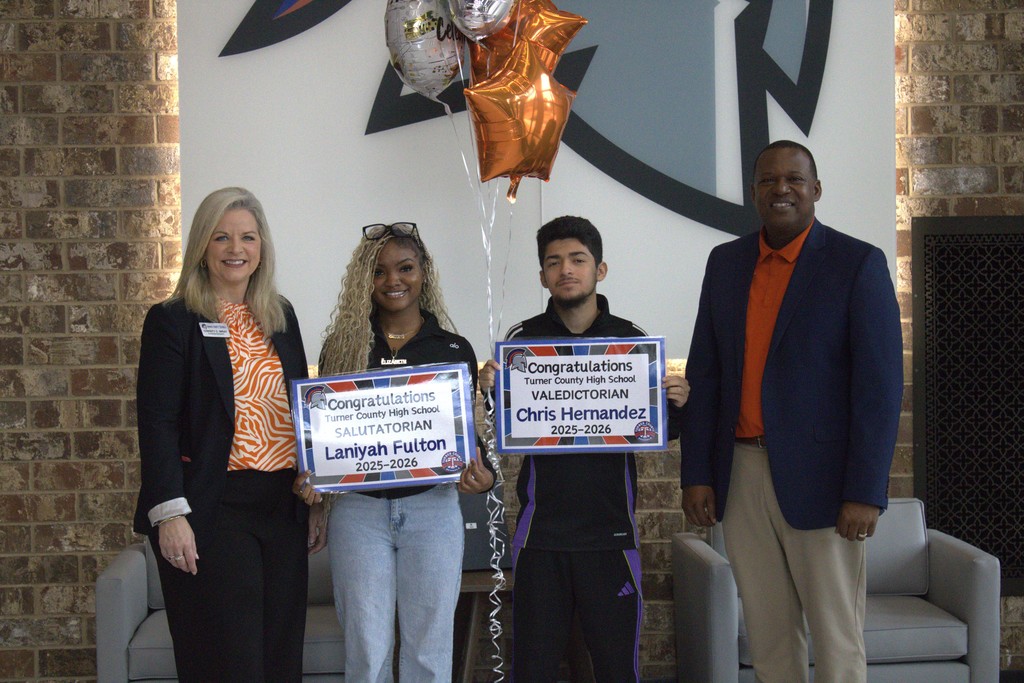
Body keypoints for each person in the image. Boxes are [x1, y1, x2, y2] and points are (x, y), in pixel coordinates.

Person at [679, 140, 903, 682]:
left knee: (837, 638)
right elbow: (705, 375)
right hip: (741, 472)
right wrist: (697, 474)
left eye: (795, 179)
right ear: (754, 192)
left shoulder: (857, 263)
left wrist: (865, 490)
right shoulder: (726, 263)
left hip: (826, 485)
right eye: (769, 180)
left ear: (816, 190)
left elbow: (879, 387)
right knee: (768, 637)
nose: (781, 189)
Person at [479, 215, 690, 682]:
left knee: (617, 669)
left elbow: (662, 431)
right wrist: (490, 388)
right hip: (540, 536)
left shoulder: (631, 341)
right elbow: (503, 424)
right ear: (542, 277)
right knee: (532, 670)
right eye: (554, 263)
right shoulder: (522, 342)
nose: (566, 270)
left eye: (578, 259)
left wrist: (676, 402)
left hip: (609, 534)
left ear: (601, 269)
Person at [134, 187, 323, 682]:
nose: (235, 248)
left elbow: (300, 409)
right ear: (202, 244)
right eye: (221, 237)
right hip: (213, 509)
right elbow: (157, 423)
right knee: (229, 661)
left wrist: (316, 495)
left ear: (262, 247)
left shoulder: (280, 316)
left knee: (280, 658)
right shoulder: (172, 320)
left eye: (247, 237)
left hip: (283, 505)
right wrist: (170, 513)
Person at [308, 222, 494, 682]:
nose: (394, 280)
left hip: (432, 510)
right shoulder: (343, 346)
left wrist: (483, 472)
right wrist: (312, 471)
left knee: (429, 654)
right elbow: (329, 435)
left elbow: (468, 435)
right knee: (367, 653)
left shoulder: (453, 349)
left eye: (406, 268)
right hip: (358, 512)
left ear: (424, 272)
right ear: (364, 281)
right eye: (380, 271)